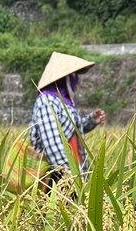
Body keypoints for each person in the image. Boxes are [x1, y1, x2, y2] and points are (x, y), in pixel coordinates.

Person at [30, 52, 106, 188]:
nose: (75, 79)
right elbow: (53, 144)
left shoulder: (64, 102)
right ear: (64, 78)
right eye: (72, 75)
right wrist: (71, 177)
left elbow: (73, 128)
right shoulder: (47, 101)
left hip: (74, 170)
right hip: (56, 177)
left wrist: (92, 120)